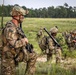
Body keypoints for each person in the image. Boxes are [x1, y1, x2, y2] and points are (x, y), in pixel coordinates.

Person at [1, 5, 37, 75]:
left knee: (33, 55)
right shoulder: (10, 28)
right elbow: (14, 44)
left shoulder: (16, 27)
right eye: (22, 15)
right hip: (8, 57)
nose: (23, 17)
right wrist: (24, 41)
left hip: (15, 54)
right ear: (17, 16)